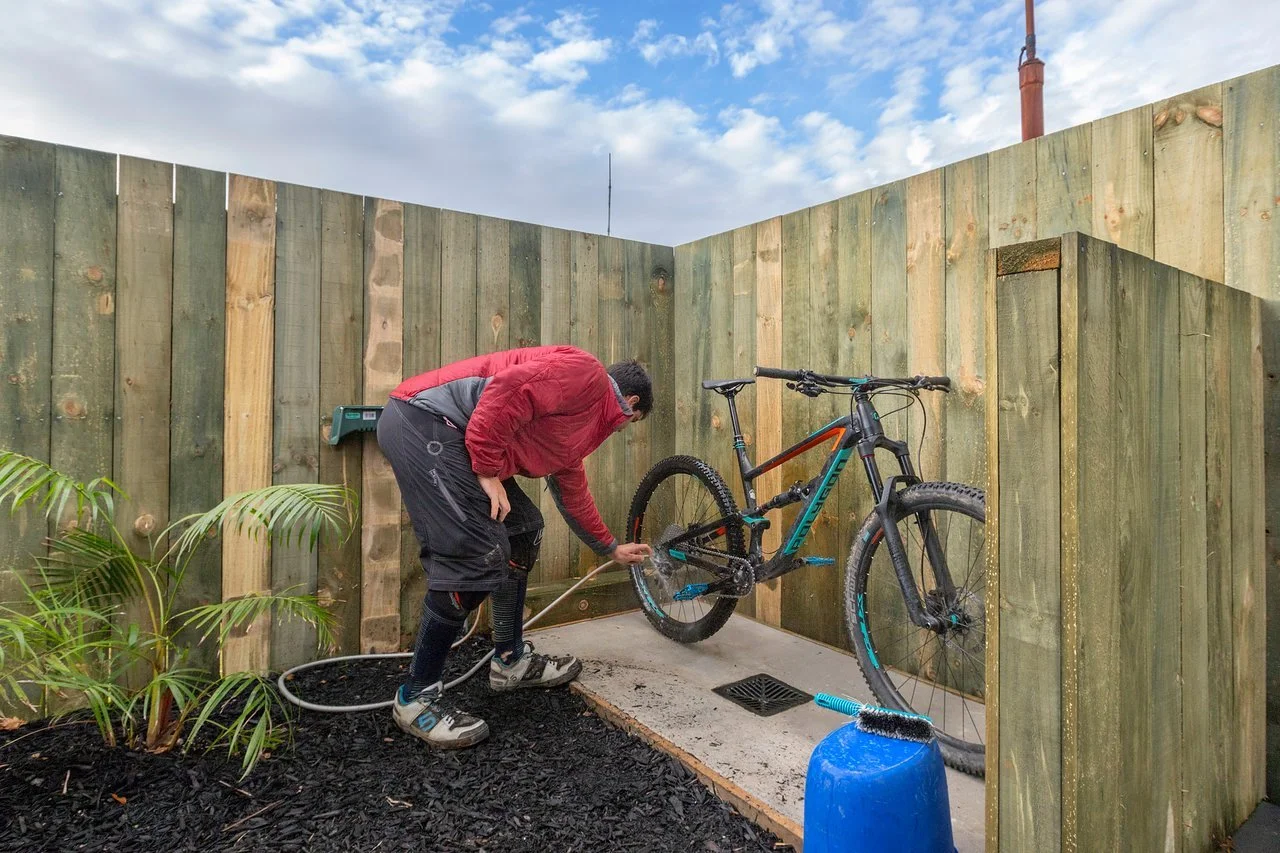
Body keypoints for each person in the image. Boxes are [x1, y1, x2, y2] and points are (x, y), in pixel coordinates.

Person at [376, 345, 654, 749]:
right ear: (630, 404)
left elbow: (573, 492)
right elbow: (507, 389)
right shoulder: (587, 374)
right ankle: (416, 698)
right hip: (426, 421)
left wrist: (610, 547)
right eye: (632, 421)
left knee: (522, 531)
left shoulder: (575, 428)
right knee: (477, 553)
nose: (623, 428)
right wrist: (487, 469)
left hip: (461, 436)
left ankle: (509, 661)